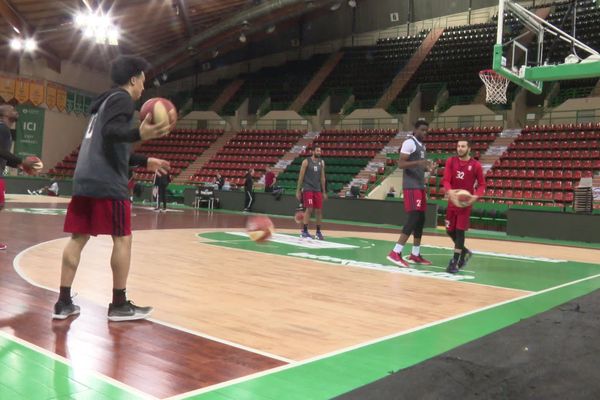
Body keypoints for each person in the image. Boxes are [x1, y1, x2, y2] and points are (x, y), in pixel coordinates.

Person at [53, 55, 174, 321]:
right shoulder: (122, 99)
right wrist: (139, 135)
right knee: (123, 239)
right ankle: (119, 304)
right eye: (143, 79)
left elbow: (109, 142)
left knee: (78, 238)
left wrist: (145, 160)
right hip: (107, 181)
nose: (144, 85)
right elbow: (112, 133)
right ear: (133, 78)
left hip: (84, 177)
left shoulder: (103, 102)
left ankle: (63, 303)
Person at [387, 120, 435, 267]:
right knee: (414, 216)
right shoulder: (409, 142)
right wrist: (418, 163)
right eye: (422, 130)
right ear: (415, 129)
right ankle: (395, 252)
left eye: (426, 130)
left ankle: (415, 254)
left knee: (420, 219)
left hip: (419, 186)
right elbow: (401, 164)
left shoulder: (422, 146)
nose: (424, 133)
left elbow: (419, 166)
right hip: (411, 186)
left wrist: (428, 169)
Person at [0, 105, 40, 251]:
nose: (15, 111)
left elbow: (3, 155)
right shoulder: (2, 128)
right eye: (12, 109)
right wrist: (21, 161)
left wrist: (21, 166)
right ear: (4, 114)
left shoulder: (6, 130)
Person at [443, 139, 485, 273]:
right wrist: (450, 192)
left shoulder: (476, 165)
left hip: (465, 204)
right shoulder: (451, 161)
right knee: (449, 230)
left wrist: (475, 196)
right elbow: (446, 180)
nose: (460, 148)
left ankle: (454, 261)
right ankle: (465, 251)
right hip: (452, 201)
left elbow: (482, 185)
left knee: (460, 231)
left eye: (463, 146)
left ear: (469, 149)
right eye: (458, 146)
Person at [296, 146, 327, 240]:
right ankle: (304, 231)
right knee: (309, 208)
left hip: (317, 189)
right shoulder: (306, 162)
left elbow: (322, 177)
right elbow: (301, 177)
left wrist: (324, 191)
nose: (319, 152)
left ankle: (318, 232)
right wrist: (298, 190)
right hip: (308, 188)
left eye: (320, 150)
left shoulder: (321, 162)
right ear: (313, 151)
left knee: (319, 210)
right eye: (317, 150)